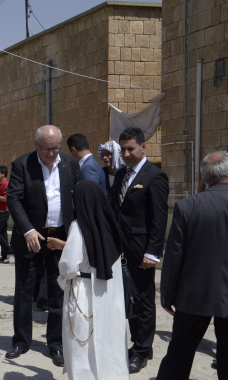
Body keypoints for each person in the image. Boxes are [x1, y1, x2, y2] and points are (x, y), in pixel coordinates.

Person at [6, 125, 81, 367]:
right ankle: (21, 340)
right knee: (25, 290)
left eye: (55, 148)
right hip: (31, 237)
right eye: (46, 149)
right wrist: (27, 230)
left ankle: (56, 344)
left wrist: (75, 236)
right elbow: (14, 199)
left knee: (58, 292)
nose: (51, 153)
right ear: (36, 145)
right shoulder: (22, 165)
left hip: (59, 238)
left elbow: (79, 199)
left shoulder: (70, 164)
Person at [156, 151, 228, 380]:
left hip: (194, 295)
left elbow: (174, 256)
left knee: (179, 353)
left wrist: (168, 294)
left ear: (204, 176)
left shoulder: (188, 206)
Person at [110, 127, 169, 374]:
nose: (126, 154)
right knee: (128, 300)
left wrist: (152, 252)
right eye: (122, 149)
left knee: (143, 301)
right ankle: (140, 345)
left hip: (141, 252)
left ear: (143, 148)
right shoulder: (122, 173)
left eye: (130, 149)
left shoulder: (155, 176)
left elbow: (159, 218)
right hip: (120, 251)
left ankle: (141, 351)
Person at [57, 180, 128, 380]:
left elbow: (69, 265)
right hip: (108, 293)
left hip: (82, 291)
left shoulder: (79, 226)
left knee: (81, 347)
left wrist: (62, 280)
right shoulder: (111, 227)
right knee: (108, 342)